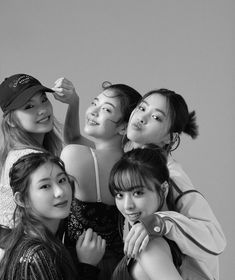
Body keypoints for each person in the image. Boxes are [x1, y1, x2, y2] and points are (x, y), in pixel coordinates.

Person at [123, 88, 226, 279]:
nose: (142, 117)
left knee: (148, 251)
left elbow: (216, 238)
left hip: (180, 272)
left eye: (156, 117)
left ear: (169, 138)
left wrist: (161, 221)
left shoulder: (171, 176)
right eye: (141, 108)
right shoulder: (130, 161)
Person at [56, 78, 142, 280]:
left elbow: (71, 140)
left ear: (123, 127)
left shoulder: (74, 155)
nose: (93, 112)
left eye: (107, 110)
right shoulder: (131, 164)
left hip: (77, 262)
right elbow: (74, 139)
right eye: (94, 103)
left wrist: (73, 102)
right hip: (119, 265)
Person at [0, 152, 105, 280]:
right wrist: (88, 266)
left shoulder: (45, 238)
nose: (60, 192)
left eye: (62, 180)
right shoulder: (37, 255)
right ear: (22, 199)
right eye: (45, 186)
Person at [0, 73, 79, 228]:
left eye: (43, 99)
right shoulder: (30, 159)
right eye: (29, 106)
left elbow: (74, 141)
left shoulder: (22, 153)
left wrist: (74, 102)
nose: (42, 110)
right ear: (10, 120)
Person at [109, 146, 183, 280]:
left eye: (137, 193)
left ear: (164, 189)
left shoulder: (149, 246)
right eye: (119, 195)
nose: (127, 206)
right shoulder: (171, 232)